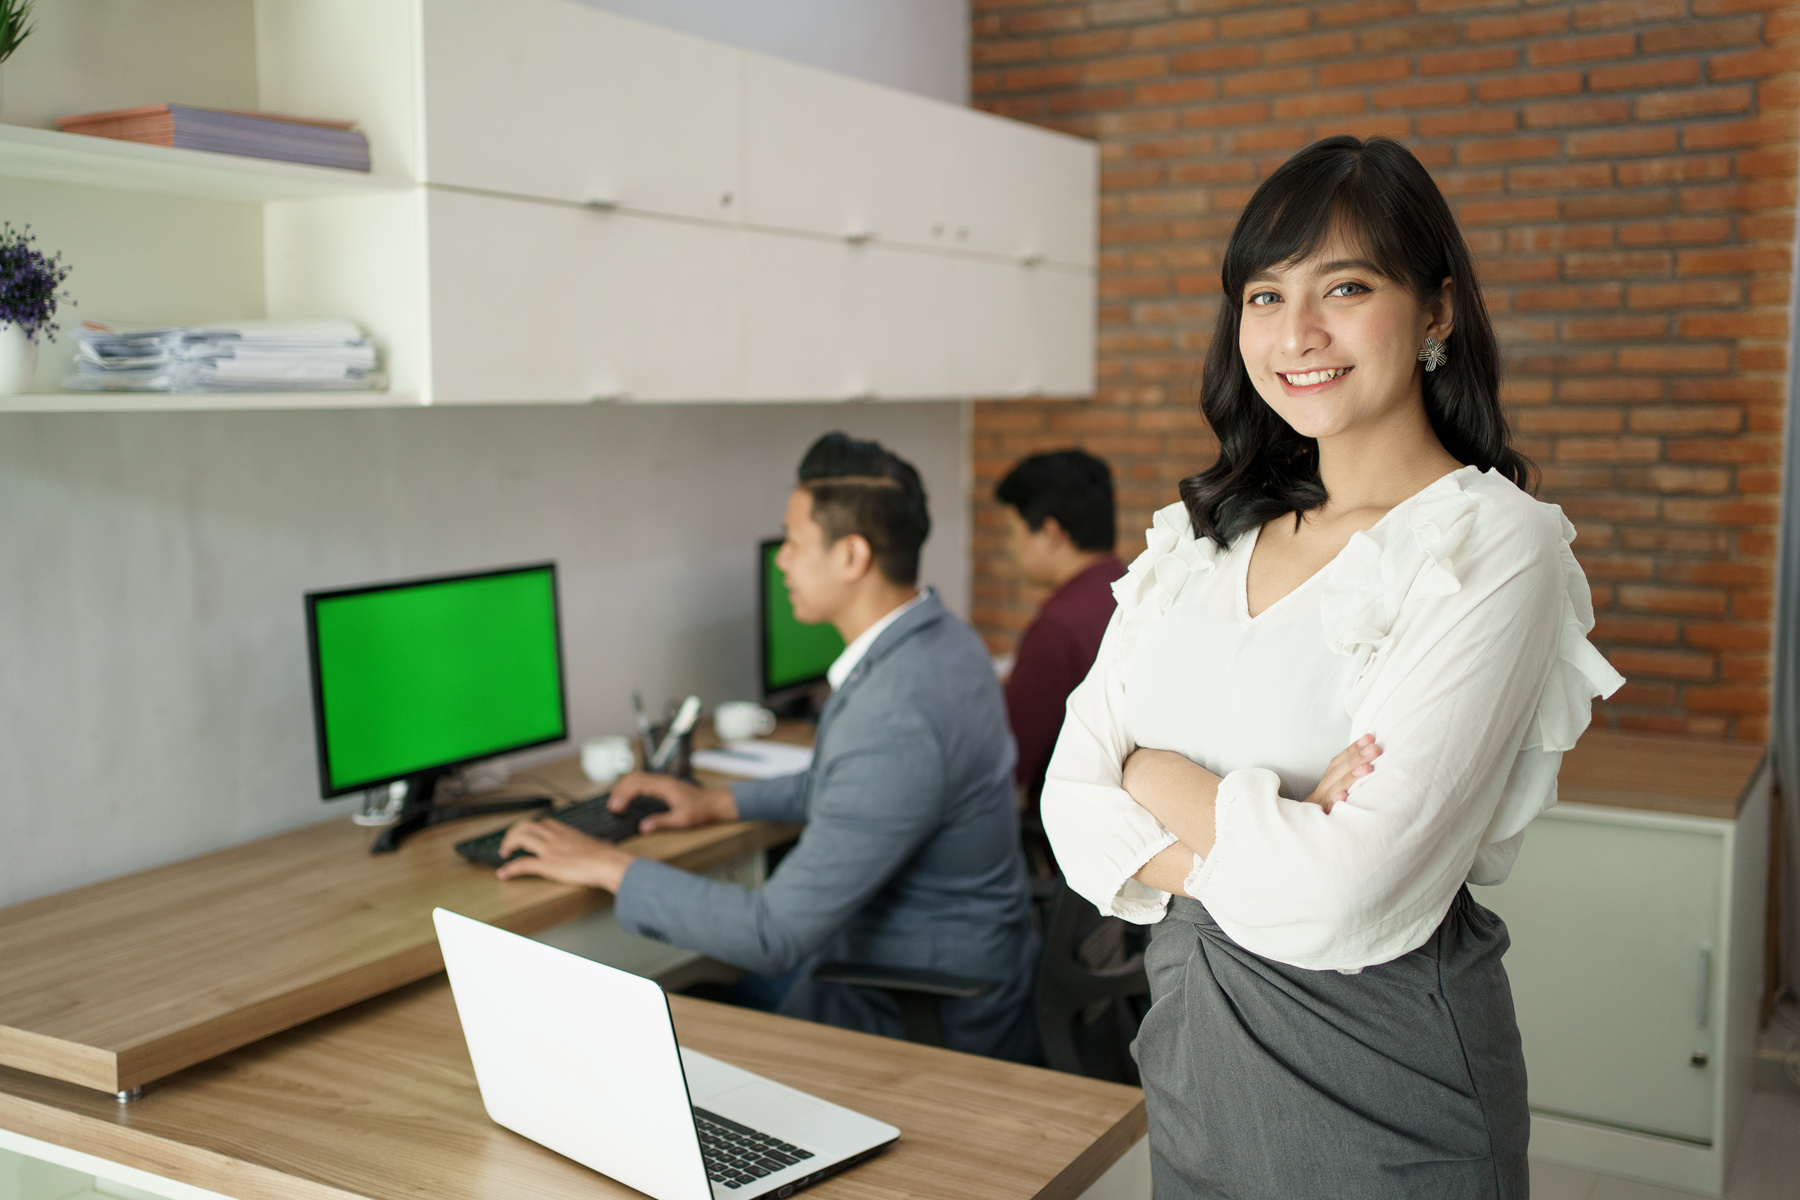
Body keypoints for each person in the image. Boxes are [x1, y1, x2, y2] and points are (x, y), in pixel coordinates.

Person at [1041, 136, 1624, 1198]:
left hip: (1383, 1084)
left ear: (1437, 311)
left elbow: (1349, 901)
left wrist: (1158, 781)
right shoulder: (1198, 541)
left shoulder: (1494, 542)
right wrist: (1282, 831)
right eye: (1264, 296)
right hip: (1190, 1058)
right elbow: (1066, 803)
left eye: (1344, 287)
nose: (1297, 333)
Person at [496, 432, 1040, 1062]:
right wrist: (719, 805)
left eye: (795, 540)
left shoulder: (895, 712)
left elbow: (774, 932)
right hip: (956, 963)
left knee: (632, 1036)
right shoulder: (944, 640)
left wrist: (606, 866)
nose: (781, 560)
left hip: (917, 1013)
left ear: (851, 556)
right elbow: (854, 790)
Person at [995, 450, 1126, 821]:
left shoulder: (1057, 628)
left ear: (1050, 533)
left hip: (1069, 834)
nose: (1010, 547)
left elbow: (1011, 760)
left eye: (1013, 532)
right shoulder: (1136, 590)